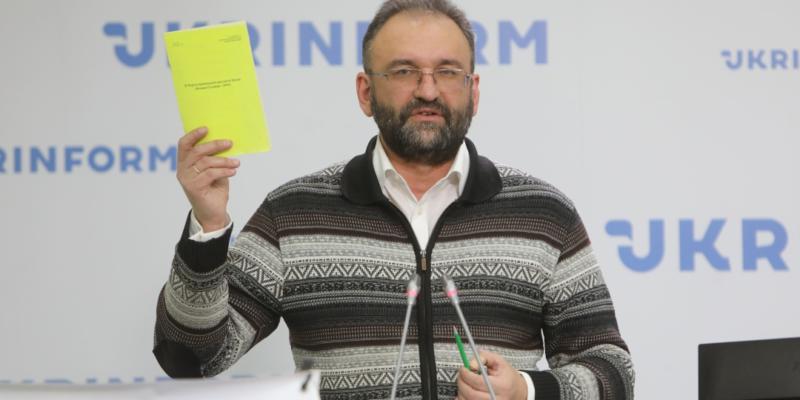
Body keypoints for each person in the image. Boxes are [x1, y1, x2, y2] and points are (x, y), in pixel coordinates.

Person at [153, 0, 635, 399]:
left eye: (447, 71)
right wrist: (208, 227)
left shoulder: (543, 213)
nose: (428, 90)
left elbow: (613, 371)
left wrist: (527, 391)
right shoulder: (294, 213)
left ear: (473, 91)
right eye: (404, 71)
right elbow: (191, 358)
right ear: (366, 92)